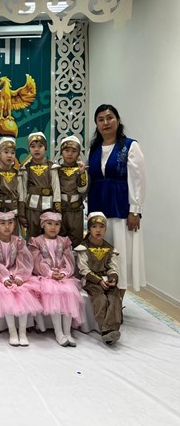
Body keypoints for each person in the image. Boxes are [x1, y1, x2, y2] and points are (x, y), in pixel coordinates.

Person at [87, 104, 146, 292]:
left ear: (118, 120)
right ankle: (102, 299)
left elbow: (138, 180)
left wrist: (135, 210)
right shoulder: (93, 149)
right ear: (97, 124)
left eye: (109, 118)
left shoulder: (130, 146)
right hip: (98, 210)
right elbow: (90, 179)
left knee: (120, 255)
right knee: (99, 255)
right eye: (101, 119)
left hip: (120, 209)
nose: (106, 122)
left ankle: (118, 299)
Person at [0, 211, 42, 347]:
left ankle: (22, 331)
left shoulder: (19, 241)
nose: (7, 226)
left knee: (24, 293)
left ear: (14, 224)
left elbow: (24, 261)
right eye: (2, 223)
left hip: (17, 274)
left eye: (10, 223)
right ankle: (12, 331)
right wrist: (4, 277)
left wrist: (19, 276)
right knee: (6, 293)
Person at [29, 211, 83, 347]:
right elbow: (37, 262)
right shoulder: (36, 242)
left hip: (63, 276)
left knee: (69, 292)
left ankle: (68, 332)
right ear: (43, 225)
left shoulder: (64, 242)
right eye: (49, 223)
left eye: (57, 224)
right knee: (54, 294)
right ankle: (59, 333)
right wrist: (50, 273)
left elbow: (69, 261)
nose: (53, 227)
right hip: (45, 276)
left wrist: (64, 273)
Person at [75, 212, 123, 345]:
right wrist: (99, 281)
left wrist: (113, 278)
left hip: (107, 280)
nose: (98, 230)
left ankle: (111, 329)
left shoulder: (110, 248)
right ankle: (106, 330)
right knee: (100, 299)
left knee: (114, 297)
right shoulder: (84, 247)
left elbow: (113, 267)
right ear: (89, 229)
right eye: (94, 226)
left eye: (101, 227)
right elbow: (83, 268)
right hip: (91, 281)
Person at [18, 132, 61, 239]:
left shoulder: (52, 167)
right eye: (33, 146)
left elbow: (56, 188)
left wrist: (58, 209)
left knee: (49, 236)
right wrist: (22, 212)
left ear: (45, 148)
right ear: (29, 149)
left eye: (40, 146)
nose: (36, 149)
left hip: (49, 207)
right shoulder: (25, 168)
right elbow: (23, 190)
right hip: (31, 208)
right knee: (32, 236)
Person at [57, 135, 88, 248]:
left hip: (76, 211)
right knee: (59, 239)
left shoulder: (81, 170)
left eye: (74, 151)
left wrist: (81, 173)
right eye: (66, 150)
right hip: (60, 210)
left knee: (76, 240)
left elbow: (82, 189)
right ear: (61, 152)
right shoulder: (56, 169)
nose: (70, 154)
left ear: (78, 153)